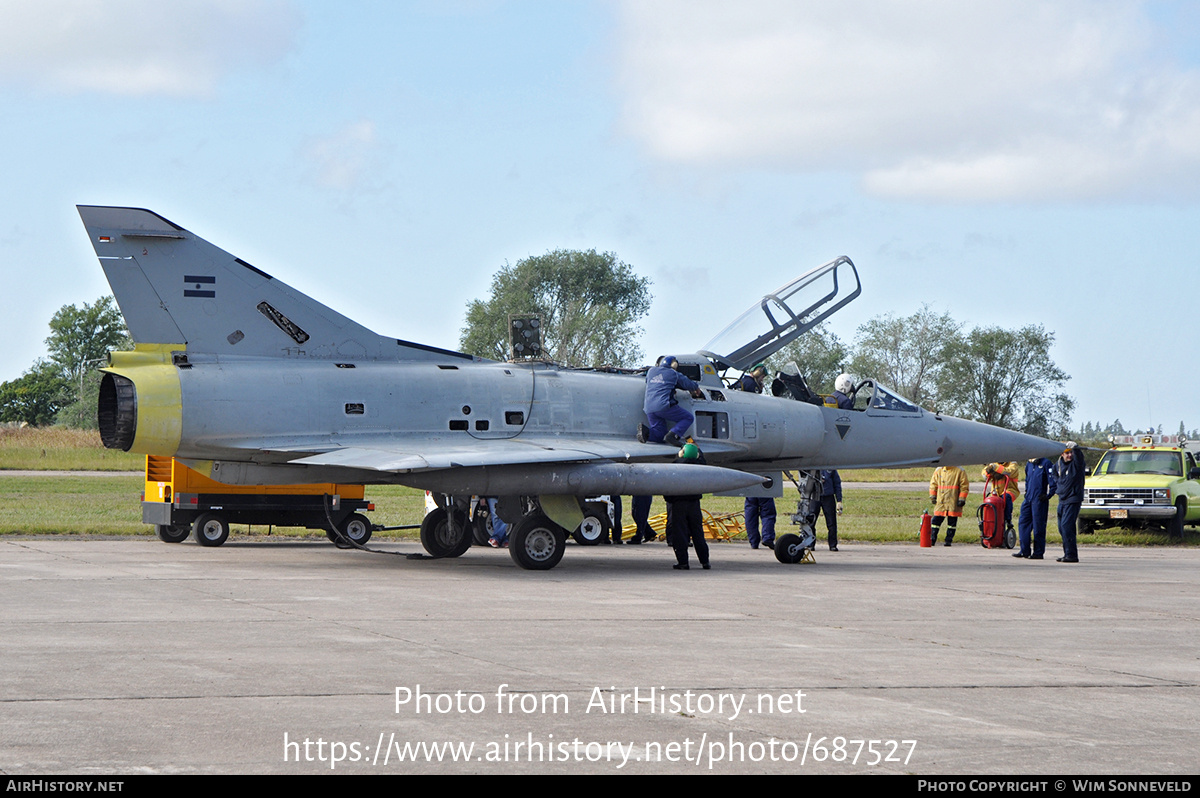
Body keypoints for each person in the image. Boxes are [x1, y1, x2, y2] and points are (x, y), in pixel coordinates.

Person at [664, 443, 710, 570]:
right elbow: (701, 459)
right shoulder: (700, 467)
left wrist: (670, 500)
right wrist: (698, 449)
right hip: (694, 504)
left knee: (680, 534)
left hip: (678, 504)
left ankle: (683, 562)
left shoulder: (674, 466)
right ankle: (705, 562)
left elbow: (667, 484)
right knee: (698, 534)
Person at [642, 355, 701, 446]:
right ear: (674, 364)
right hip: (663, 407)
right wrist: (696, 388)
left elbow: (650, 382)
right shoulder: (673, 373)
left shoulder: (651, 371)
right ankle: (673, 435)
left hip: (649, 409)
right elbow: (688, 384)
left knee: (660, 433)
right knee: (687, 418)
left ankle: (646, 433)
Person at [1015, 457, 1056, 559]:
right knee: (1023, 524)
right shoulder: (1029, 464)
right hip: (1028, 498)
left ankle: (1038, 552)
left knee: (1039, 526)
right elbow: (1027, 479)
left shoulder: (1046, 463)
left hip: (1039, 499)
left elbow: (1053, 481)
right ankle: (1024, 550)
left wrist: (1048, 495)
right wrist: (1026, 492)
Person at [1055, 442, 1086, 563]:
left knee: (1067, 526)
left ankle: (1072, 555)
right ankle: (1067, 553)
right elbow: (1055, 476)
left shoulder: (1077, 464)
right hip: (1062, 499)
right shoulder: (1058, 465)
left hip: (1073, 499)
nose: (1069, 455)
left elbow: (1079, 458)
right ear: (1062, 454)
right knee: (1061, 528)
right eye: (1067, 453)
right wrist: (1059, 488)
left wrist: (1076, 449)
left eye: (1071, 453)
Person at [928, 465, 969, 546]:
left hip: (953, 502)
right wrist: (933, 496)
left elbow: (964, 486)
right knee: (935, 522)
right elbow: (933, 484)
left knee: (952, 523)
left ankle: (948, 541)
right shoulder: (938, 470)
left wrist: (962, 499)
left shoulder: (959, 471)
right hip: (941, 502)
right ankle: (932, 539)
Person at [981, 461, 1020, 531]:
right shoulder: (993, 464)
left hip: (1010, 490)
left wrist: (996, 469)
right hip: (996, 492)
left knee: (1006, 497)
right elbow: (984, 474)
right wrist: (989, 471)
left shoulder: (1012, 463)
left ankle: (1008, 520)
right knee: (991, 506)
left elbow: (1009, 472)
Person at [812, 469, 843, 550]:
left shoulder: (831, 469)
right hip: (815, 496)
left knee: (831, 522)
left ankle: (833, 545)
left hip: (828, 497)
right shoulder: (812, 467)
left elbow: (837, 483)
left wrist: (839, 500)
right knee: (811, 521)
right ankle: (810, 544)